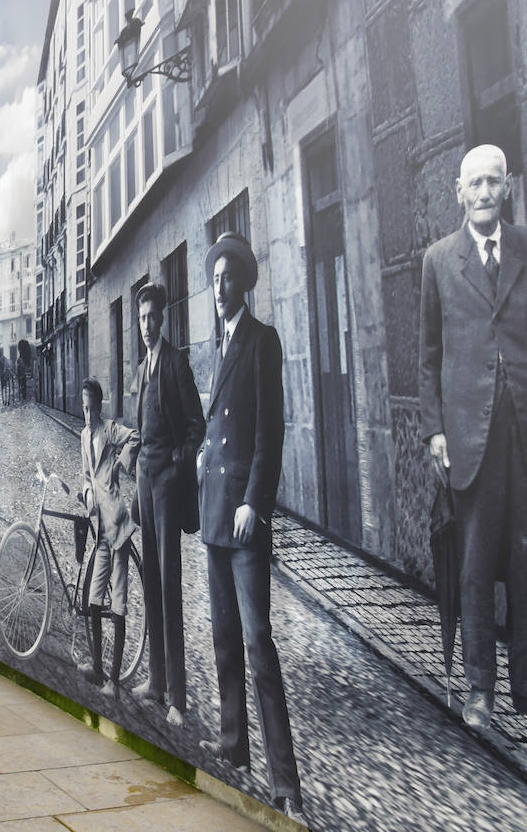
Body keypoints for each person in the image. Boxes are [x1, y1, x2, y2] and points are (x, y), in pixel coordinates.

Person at [419, 144, 527, 737]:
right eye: (475, 184)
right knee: (475, 563)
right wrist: (435, 430)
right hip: (469, 437)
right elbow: (428, 357)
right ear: (458, 193)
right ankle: (481, 689)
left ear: (506, 187)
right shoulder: (438, 260)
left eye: (494, 182)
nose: (485, 193)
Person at [195, 235, 302, 821]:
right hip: (215, 510)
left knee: (259, 641)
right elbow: (219, 427)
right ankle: (235, 743)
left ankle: (286, 779)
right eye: (213, 278)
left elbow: (270, 430)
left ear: (244, 284)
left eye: (228, 277)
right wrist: (202, 460)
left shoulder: (262, 342)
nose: (219, 287)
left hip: (241, 517)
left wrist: (255, 502)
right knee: (222, 636)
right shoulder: (219, 345)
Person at [132, 281, 204, 727]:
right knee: (150, 582)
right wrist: (130, 454)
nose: (145, 325)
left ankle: (178, 696)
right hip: (143, 479)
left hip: (167, 484)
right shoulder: (141, 370)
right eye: (141, 318)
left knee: (169, 585)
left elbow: (197, 427)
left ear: (163, 319)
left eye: (151, 317)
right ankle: (155, 683)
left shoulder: (177, 365)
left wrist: (178, 466)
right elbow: (139, 428)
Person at [78, 376, 139, 697]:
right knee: (92, 601)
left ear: (99, 406)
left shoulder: (108, 429)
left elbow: (135, 437)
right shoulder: (84, 435)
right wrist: (87, 493)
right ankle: (99, 669)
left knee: (118, 605)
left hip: (118, 528)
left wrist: (119, 466)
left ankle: (114, 682)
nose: (87, 415)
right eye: (84, 409)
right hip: (99, 530)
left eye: (91, 409)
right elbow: (86, 477)